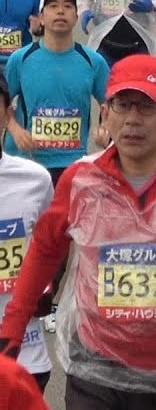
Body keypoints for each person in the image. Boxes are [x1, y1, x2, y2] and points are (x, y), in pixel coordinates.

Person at [0, 55, 156, 409]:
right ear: (105, 113)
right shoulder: (80, 179)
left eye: (147, 106)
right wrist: (13, 329)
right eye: (122, 104)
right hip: (94, 370)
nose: (132, 119)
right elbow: (44, 252)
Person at [6, 0, 109, 187]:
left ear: (76, 18)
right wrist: (15, 130)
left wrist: (105, 127)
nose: (61, 11)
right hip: (29, 161)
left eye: (68, 6)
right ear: (41, 18)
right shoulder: (20, 59)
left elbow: (111, 104)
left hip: (73, 162)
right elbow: (3, 104)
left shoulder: (93, 62)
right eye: (53, 6)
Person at [0, 76, 55, 390]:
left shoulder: (36, 179)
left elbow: (50, 248)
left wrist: (47, 288)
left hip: (25, 352)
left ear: (8, 114)